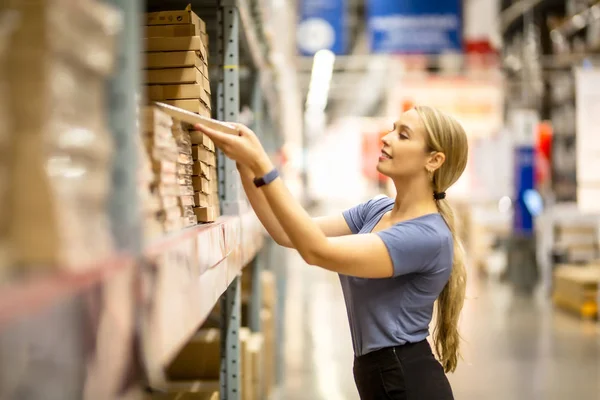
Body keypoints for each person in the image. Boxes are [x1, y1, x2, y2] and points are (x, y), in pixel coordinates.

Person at [195, 105, 468, 400]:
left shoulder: (426, 236)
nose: (386, 138)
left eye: (403, 135)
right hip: (379, 375)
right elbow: (287, 233)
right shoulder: (377, 209)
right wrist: (244, 166)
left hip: (405, 380)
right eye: (391, 128)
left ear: (434, 160)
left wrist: (263, 166)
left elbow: (317, 251)